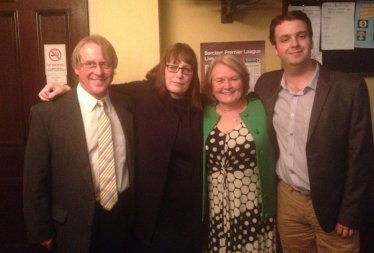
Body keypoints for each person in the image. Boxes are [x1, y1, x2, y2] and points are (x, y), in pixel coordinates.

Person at [38, 43, 207, 252]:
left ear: (193, 74)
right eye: (173, 67)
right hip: (149, 213)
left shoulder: (203, 106)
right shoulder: (143, 93)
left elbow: (229, 102)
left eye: (186, 69)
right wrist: (66, 89)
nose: (179, 74)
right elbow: (100, 86)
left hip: (188, 209)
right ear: (162, 68)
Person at [254, 11, 373, 252]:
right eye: (285, 38)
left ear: (311, 40)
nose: (294, 44)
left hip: (335, 203)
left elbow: (361, 156)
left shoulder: (349, 88)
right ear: (275, 47)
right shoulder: (265, 84)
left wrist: (350, 213)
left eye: (301, 36)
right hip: (288, 201)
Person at [23, 35, 135, 252]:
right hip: (72, 225)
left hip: (123, 220)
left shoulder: (127, 105)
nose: (99, 71)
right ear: (76, 68)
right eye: (90, 64)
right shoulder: (47, 114)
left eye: (105, 64)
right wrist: (41, 228)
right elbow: (34, 178)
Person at [203, 54, 277, 252]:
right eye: (219, 80)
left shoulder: (263, 108)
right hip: (215, 210)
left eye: (234, 78)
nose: (227, 85)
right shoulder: (201, 113)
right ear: (210, 84)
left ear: (244, 80)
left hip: (254, 207)